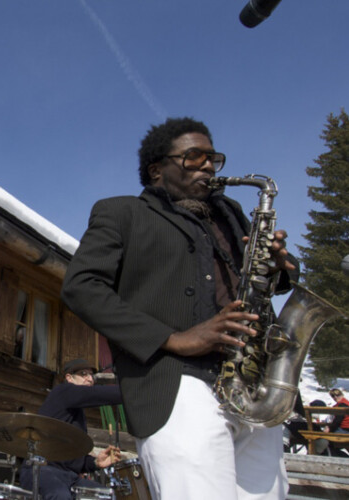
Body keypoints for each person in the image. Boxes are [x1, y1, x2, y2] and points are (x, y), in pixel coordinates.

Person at [61, 117, 300, 500]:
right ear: (157, 169)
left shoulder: (232, 213)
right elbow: (82, 287)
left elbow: (261, 279)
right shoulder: (121, 212)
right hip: (177, 383)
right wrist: (173, 338)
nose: (208, 166)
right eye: (194, 157)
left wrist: (278, 268)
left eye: (213, 159)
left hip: (250, 384)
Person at [19, 358, 122, 500]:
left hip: (69, 477)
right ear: (69, 378)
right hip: (41, 470)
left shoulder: (78, 414)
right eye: (83, 374)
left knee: (107, 496)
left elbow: (74, 460)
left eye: (91, 375)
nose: (89, 379)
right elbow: (97, 394)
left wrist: (96, 462)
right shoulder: (63, 391)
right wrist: (131, 391)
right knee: (60, 495)